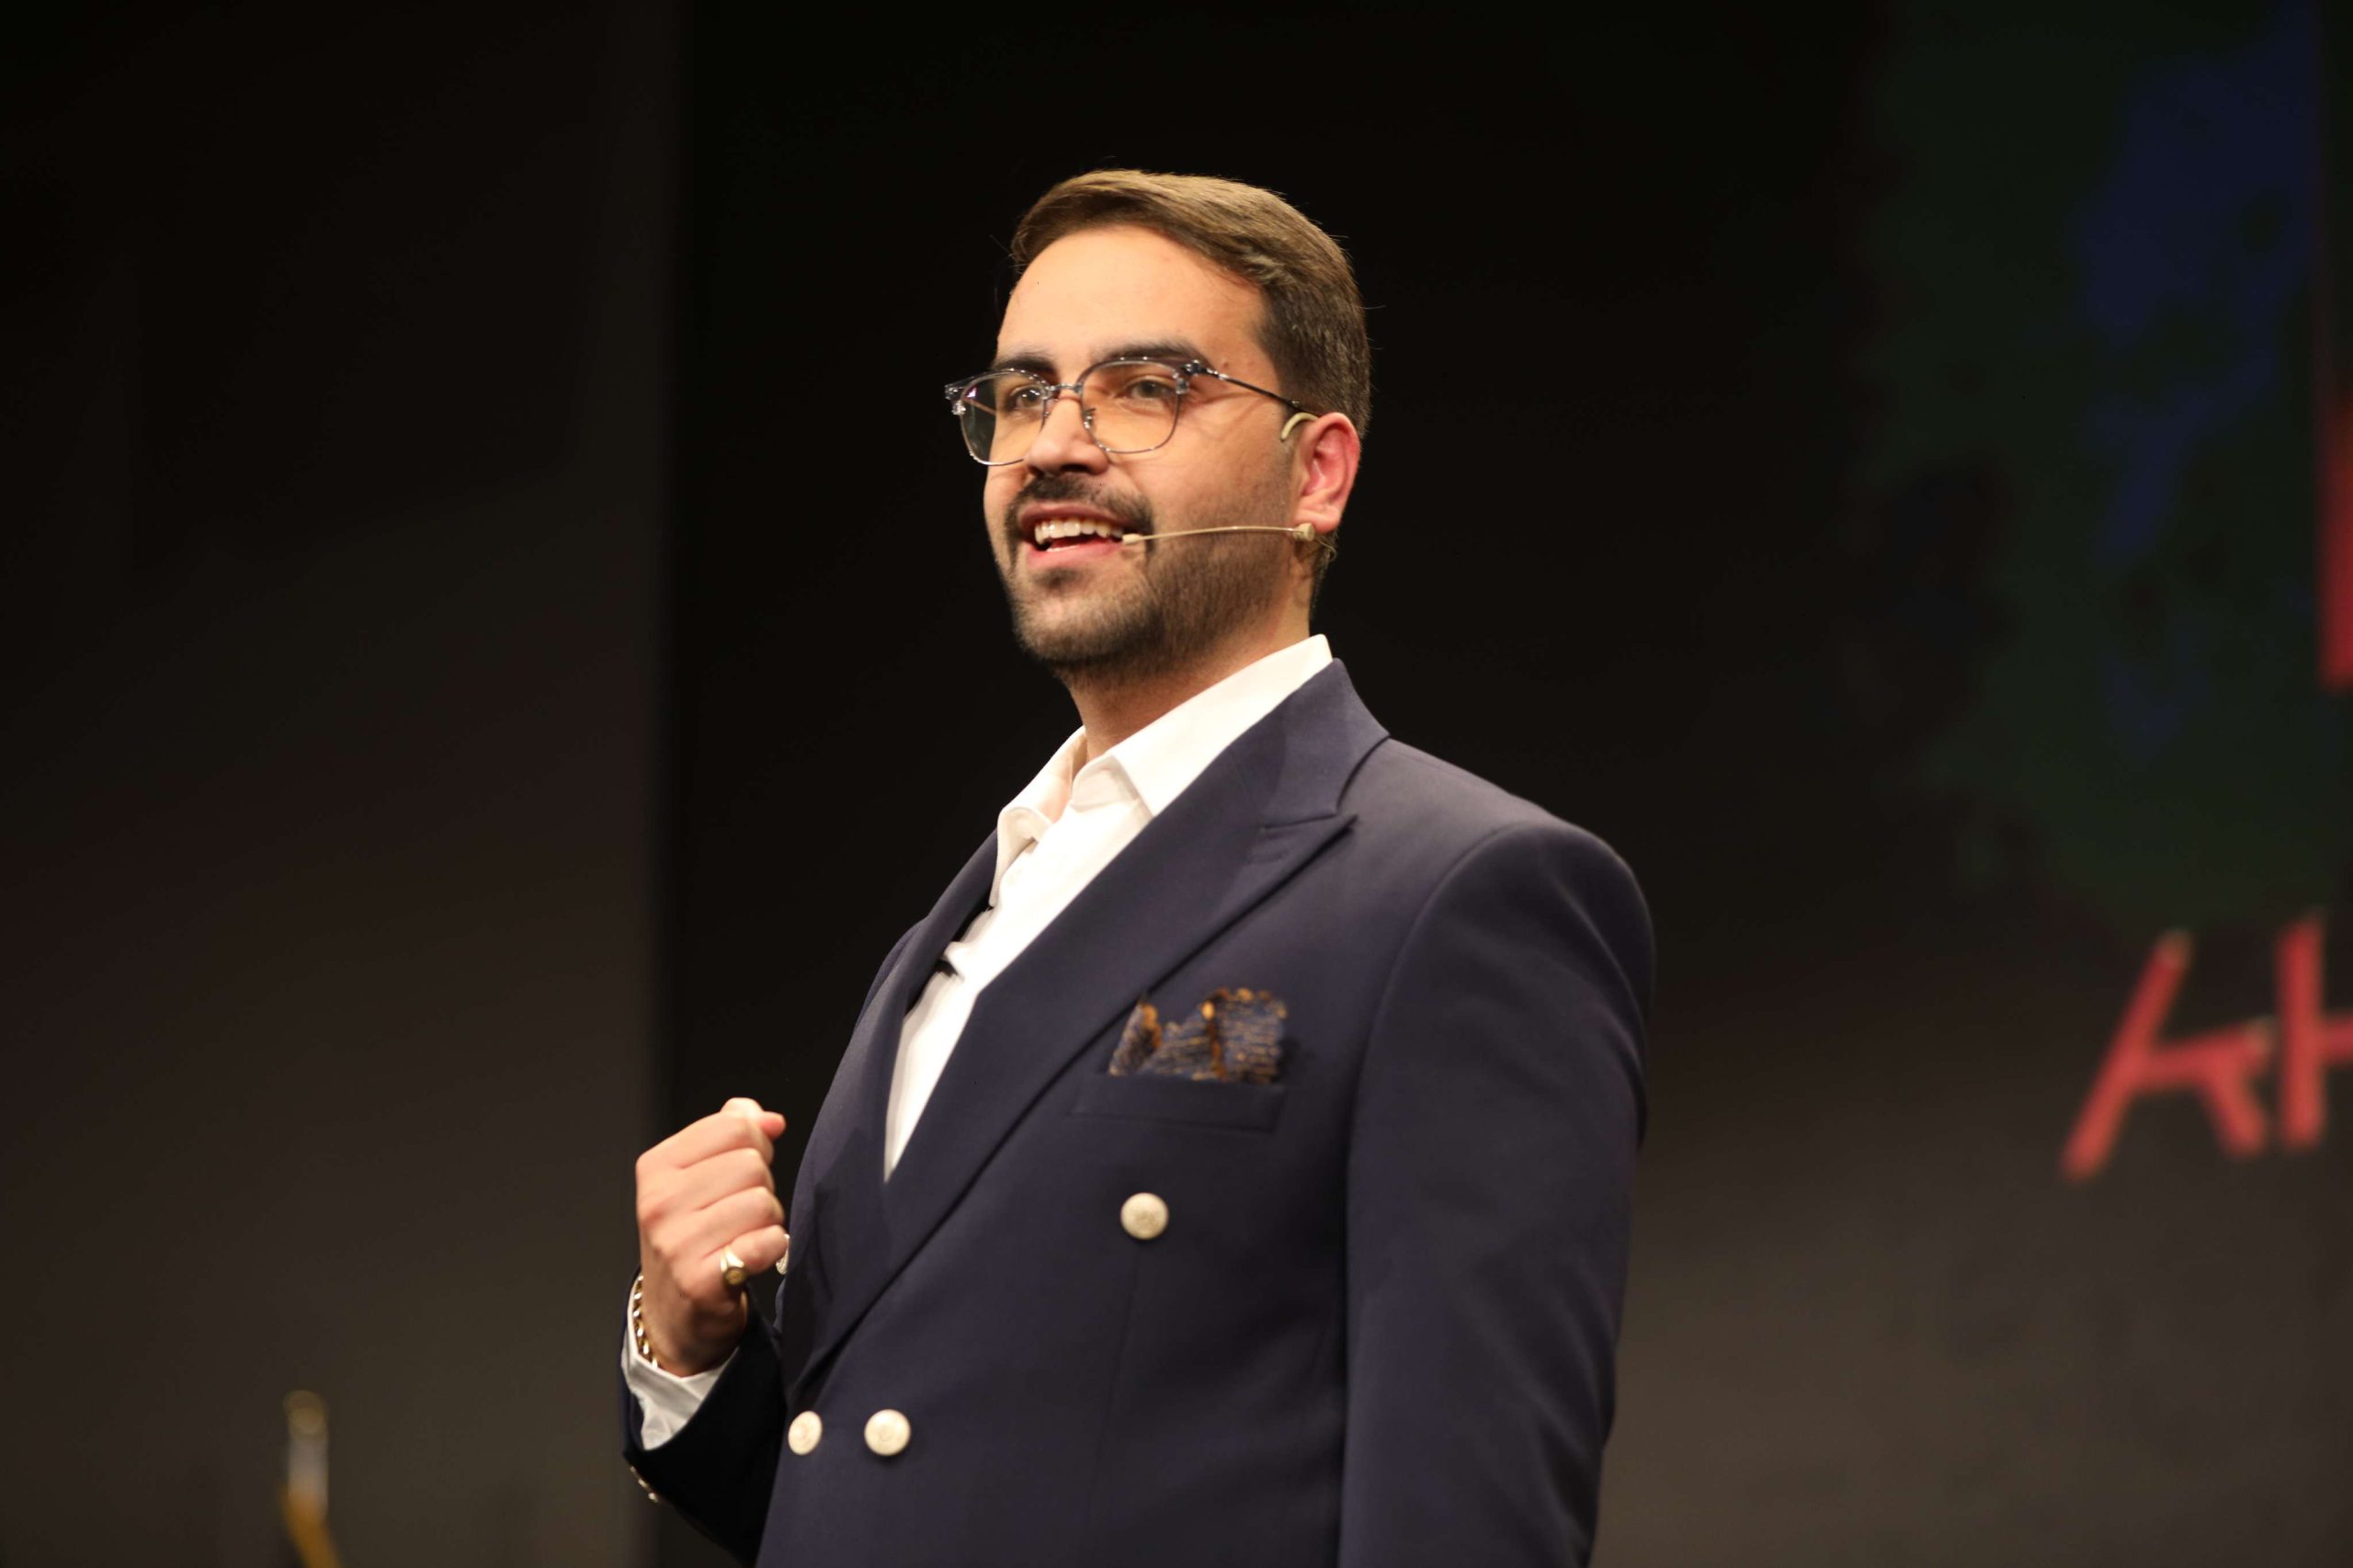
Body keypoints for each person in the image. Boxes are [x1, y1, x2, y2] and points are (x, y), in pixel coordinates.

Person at [620, 169, 1653, 1568]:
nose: (1056, 443)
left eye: (1143, 388)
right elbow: (901, 1487)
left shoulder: (1459, 893)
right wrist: (688, 1354)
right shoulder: (966, 921)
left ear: (1316, 473)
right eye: (1021, 396)